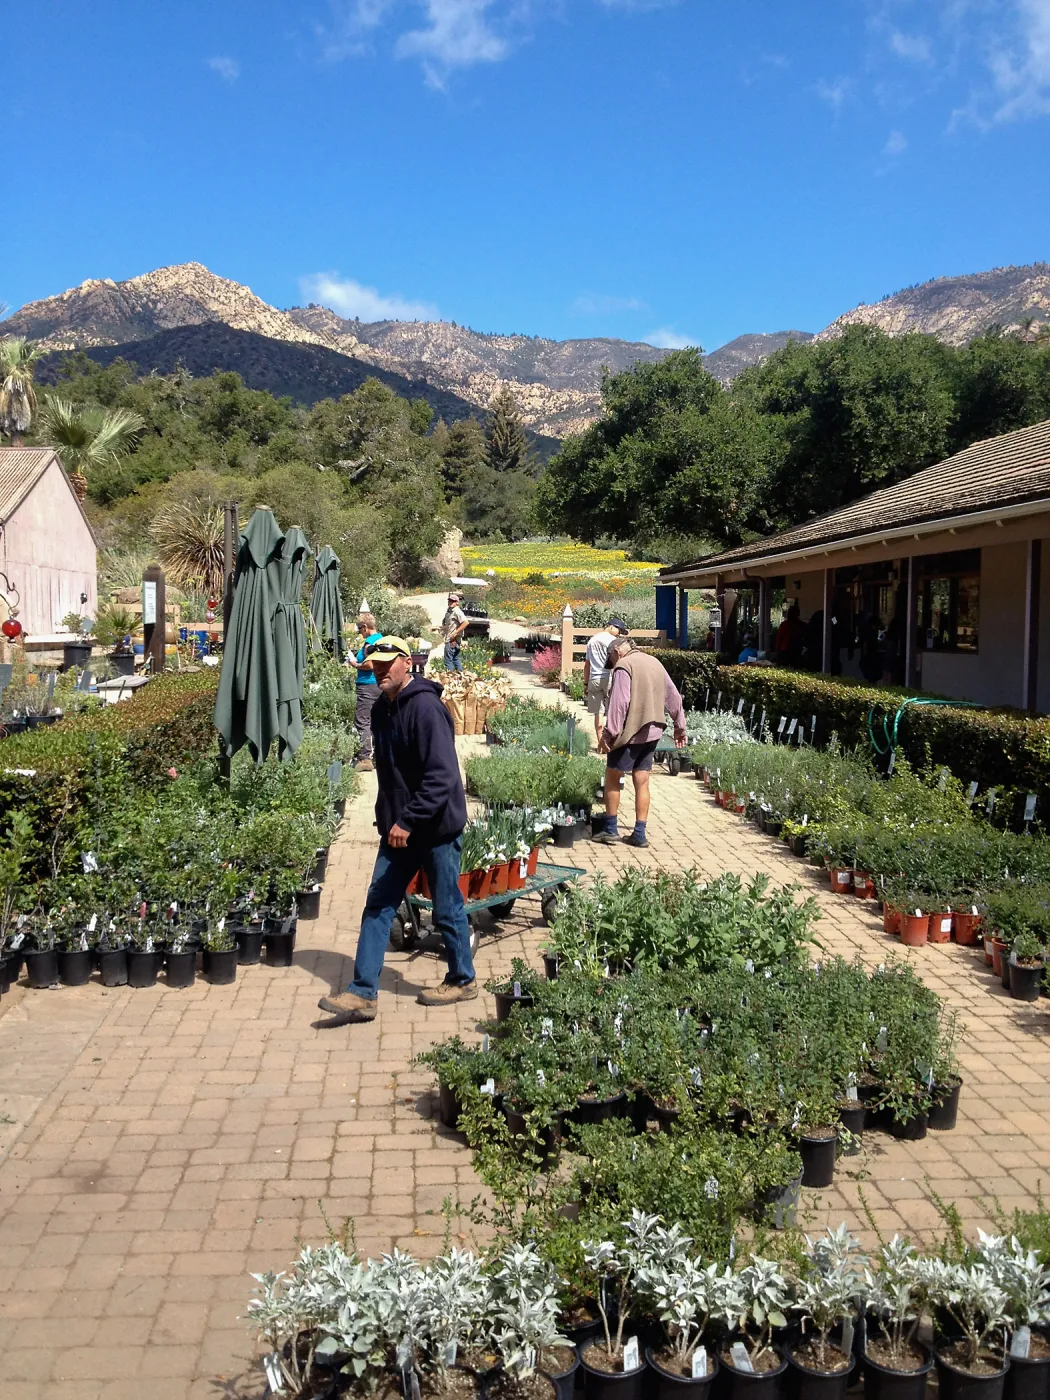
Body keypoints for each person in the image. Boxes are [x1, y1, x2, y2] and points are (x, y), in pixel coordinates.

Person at [318, 636, 477, 1022]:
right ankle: (363, 993)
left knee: (447, 907)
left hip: (435, 828)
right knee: (378, 905)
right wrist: (389, 817)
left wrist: (408, 819)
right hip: (397, 831)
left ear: (408, 662)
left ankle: (462, 979)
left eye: (387, 662)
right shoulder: (380, 711)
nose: (379, 669)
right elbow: (390, 776)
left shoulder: (426, 708)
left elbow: (442, 777)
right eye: (373, 663)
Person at [593, 638, 687, 849]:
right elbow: (674, 697)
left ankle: (610, 830)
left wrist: (609, 734)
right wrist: (680, 727)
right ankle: (639, 834)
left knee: (612, 777)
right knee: (642, 780)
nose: (613, 665)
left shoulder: (624, 666)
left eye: (611, 660)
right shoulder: (655, 663)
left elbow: (619, 703)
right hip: (652, 733)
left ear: (617, 651)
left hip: (630, 733)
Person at [582, 616, 628, 745]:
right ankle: (610, 742)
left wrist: (586, 683)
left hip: (594, 679)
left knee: (598, 712)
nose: (619, 633)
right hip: (610, 678)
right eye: (619, 630)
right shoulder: (615, 642)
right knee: (613, 711)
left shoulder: (592, 641)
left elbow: (587, 665)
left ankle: (600, 743)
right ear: (611, 626)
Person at [348, 612, 382, 771]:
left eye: (360, 629)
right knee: (377, 721)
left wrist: (355, 664)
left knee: (362, 721)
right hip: (379, 684)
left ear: (366, 627)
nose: (360, 633)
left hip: (367, 686)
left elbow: (370, 665)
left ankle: (365, 758)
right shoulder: (380, 639)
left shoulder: (369, 643)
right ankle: (378, 757)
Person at [441, 592, 469, 672]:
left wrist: (456, 632)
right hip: (452, 639)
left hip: (452, 640)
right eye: (449, 600)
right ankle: (460, 677)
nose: (450, 602)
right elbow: (448, 625)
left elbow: (466, 622)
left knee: (448, 661)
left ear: (457, 602)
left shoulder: (457, 611)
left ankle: (450, 678)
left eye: (453, 601)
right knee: (455, 659)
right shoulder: (449, 611)